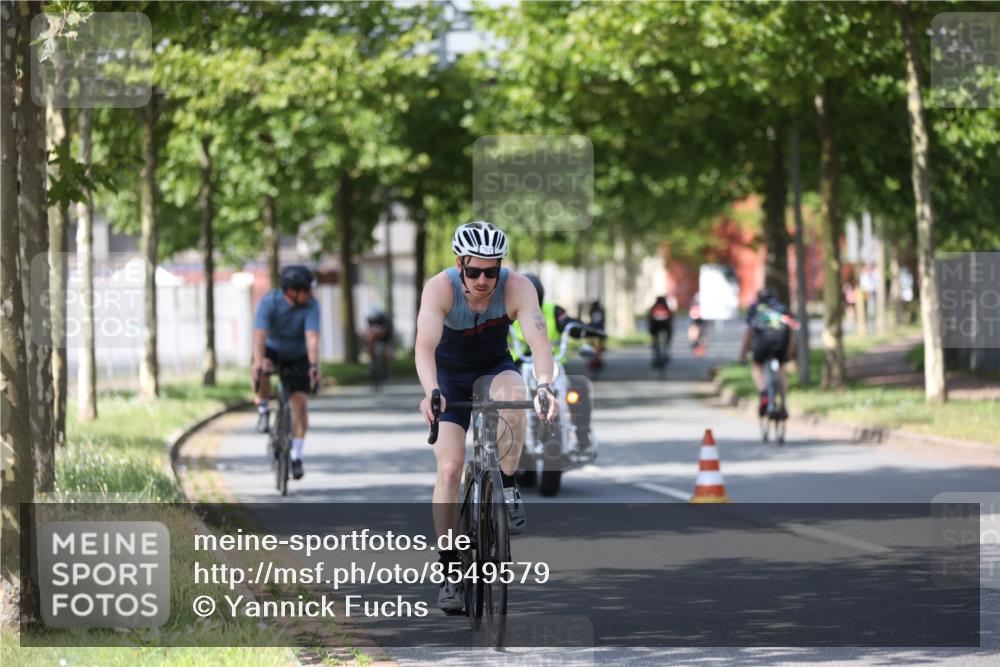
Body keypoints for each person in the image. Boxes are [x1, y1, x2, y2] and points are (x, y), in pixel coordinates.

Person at [415, 221, 557, 613]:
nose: (482, 280)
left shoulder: (518, 288)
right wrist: (431, 392)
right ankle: (448, 571)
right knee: (449, 469)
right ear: (459, 264)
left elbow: (539, 343)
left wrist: (545, 386)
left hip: (495, 367)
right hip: (449, 377)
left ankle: (507, 485)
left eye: (491, 271)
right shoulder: (439, 288)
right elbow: (424, 347)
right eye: (474, 271)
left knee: (516, 395)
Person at [252, 265, 322, 481]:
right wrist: (258, 361)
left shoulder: (311, 306)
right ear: (292, 291)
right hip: (273, 350)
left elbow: (312, 338)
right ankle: (263, 409)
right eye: (306, 291)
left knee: (300, 405)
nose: (310, 295)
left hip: (299, 355)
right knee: (261, 369)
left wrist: (313, 365)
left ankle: (296, 456)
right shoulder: (268, 303)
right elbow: (260, 336)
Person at [740, 287, 798, 419]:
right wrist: (790, 352)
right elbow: (792, 331)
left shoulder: (755, 309)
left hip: (762, 342)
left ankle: (764, 393)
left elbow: (748, 332)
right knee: (781, 369)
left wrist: (744, 351)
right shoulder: (783, 308)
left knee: (757, 366)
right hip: (781, 342)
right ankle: (783, 404)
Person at [364, 306, 392, 378]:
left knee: (386, 352)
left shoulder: (384, 318)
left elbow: (386, 331)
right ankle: (371, 362)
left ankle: (385, 369)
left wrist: (378, 334)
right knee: (369, 343)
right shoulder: (369, 319)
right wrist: (371, 336)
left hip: (384, 338)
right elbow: (368, 331)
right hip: (374, 338)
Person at [648, 296, 674, 368]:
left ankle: (657, 355)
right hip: (665, 327)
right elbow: (671, 320)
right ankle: (665, 352)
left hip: (655, 328)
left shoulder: (653, 308)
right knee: (665, 342)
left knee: (655, 342)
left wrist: (651, 331)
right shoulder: (666, 308)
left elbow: (649, 319)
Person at [587, 300, 606, 370]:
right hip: (600, 330)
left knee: (593, 346)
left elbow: (591, 319)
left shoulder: (592, 310)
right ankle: (598, 360)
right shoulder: (601, 310)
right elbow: (603, 319)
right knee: (599, 347)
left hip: (593, 330)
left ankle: (594, 360)